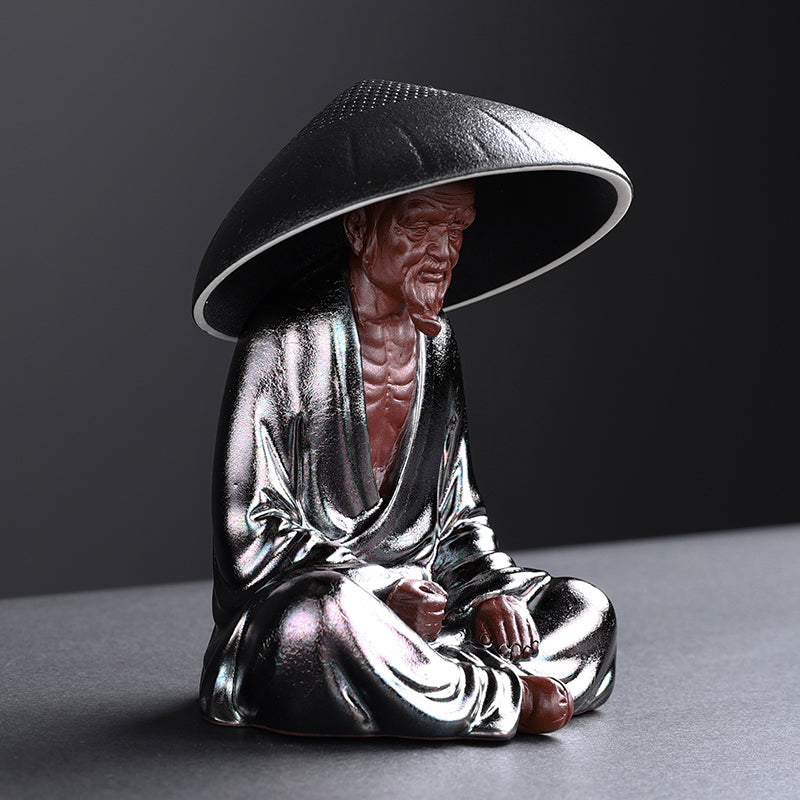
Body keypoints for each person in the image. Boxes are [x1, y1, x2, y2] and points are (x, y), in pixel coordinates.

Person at [198, 179, 616, 739]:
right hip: (334, 608)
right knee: (319, 618)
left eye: (457, 229)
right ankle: (501, 695)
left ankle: (439, 686)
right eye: (419, 227)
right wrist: (382, 591)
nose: (442, 251)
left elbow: (457, 515)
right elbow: (250, 532)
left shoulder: (437, 343)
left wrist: (489, 592)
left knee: (584, 607)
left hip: (436, 612)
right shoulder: (284, 337)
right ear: (359, 229)